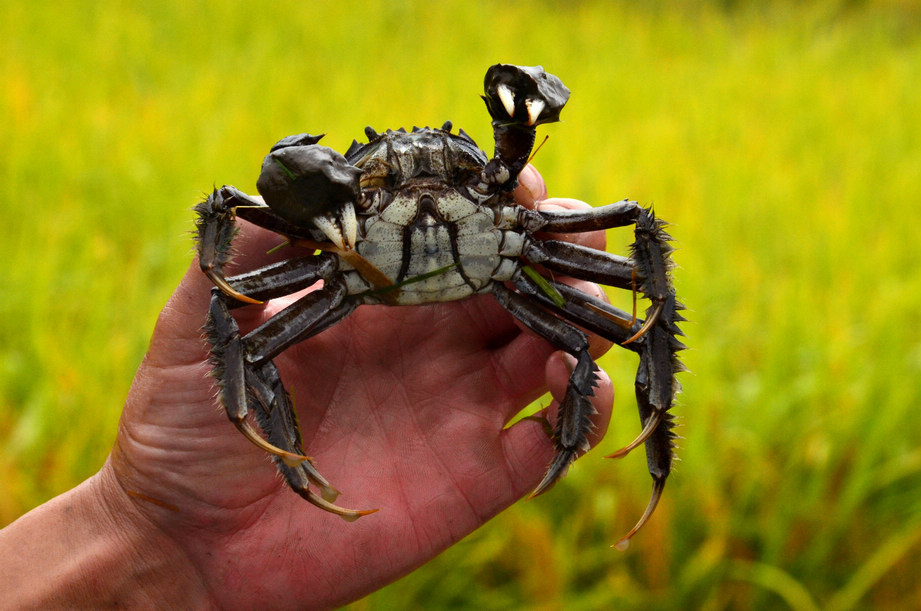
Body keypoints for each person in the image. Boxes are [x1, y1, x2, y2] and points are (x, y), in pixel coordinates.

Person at [0, 166, 615, 608]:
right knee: (246, 337)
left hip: (495, 268)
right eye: (390, 179)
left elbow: (640, 251)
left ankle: (648, 423)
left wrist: (144, 535)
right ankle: (286, 464)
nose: (421, 190)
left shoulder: (508, 217)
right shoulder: (333, 236)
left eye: (450, 174)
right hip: (349, 276)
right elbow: (228, 212)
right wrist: (152, 526)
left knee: (593, 329)